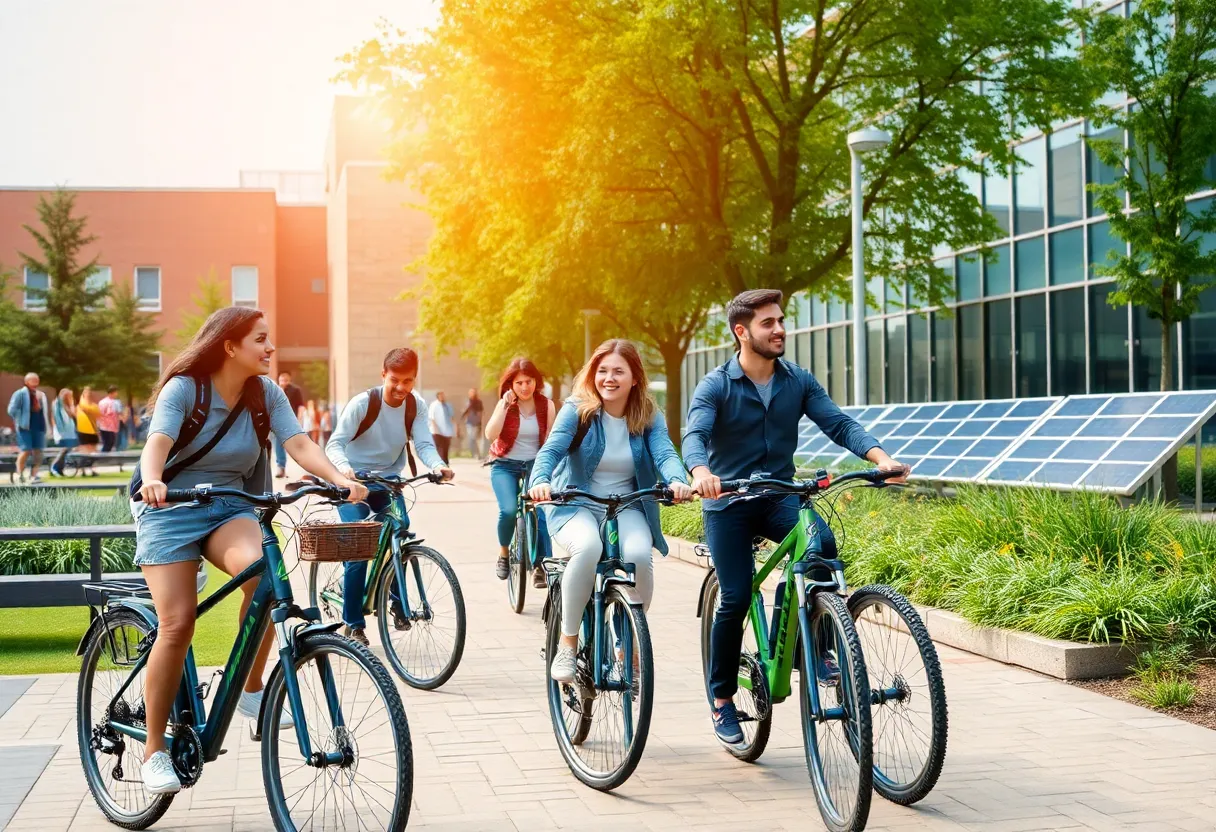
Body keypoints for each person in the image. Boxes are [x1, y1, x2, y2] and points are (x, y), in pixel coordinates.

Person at [132, 306, 366, 796]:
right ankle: (155, 749)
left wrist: (340, 480)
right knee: (178, 624)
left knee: (264, 577)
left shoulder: (266, 394)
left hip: (230, 506)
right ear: (229, 346)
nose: (270, 347)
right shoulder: (185, 390)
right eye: (260, 339)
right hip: (170, 507)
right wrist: (153, 479)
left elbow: (299, 443)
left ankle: (250, 690)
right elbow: (158, 442)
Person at [682, 289, 908, 747]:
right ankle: (722, 698)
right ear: (741, 332)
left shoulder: (797, 381)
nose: (780, 329)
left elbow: (839, 424)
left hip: (778, 495)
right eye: (768, 323)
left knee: (820, 547)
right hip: (728, 501)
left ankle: (814, 645)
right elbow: (695, 434)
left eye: (781, 320)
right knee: (737, 596)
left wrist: (881, 458)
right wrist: (700, 471)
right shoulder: (716, 385)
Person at [528, 340, 693, 683]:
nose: (609, 378)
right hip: (576, 502)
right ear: (593, 375)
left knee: (637, 555)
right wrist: (541, 481)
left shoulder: (647, 413)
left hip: (626, 504)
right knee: (588, 548)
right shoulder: (577, 410)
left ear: (634, 378)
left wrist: (678, 480)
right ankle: (568, 643)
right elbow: (551, 450)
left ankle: (628, 645)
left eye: (619, 371)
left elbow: (664, 453)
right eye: (602, 371)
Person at [326, 348, 455, 646]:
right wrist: (346, 471)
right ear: (383, 374)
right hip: (353, 482)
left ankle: (398, 602)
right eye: (394, 380)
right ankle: (354, 624)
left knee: (400, 529)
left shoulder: (415, 405)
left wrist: (438, 465)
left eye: (407, 381)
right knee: (359, 547)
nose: (400, 387)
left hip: (388, 481)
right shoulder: (363, 403)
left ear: (415, 379)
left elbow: (424, 443)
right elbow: (335, 444)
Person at [484, 358, 556, 587]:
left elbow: (551, 442)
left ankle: (541, 566)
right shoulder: (505, 404)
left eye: (529, 381)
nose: (525, 387)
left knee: (541, 513)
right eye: (519, 383)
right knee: (508, 510)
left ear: (536, 381)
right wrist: (504, 407)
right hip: (504, 464)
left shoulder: (547, 405)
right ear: (511, 385)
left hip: (535, 464)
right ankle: (504, 553)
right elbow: (490, 434)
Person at [7, 373, 50, 483]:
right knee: (25, 450)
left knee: (38, 452)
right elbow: (11, 410)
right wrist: (20, 419)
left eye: (37, 380)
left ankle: (34, 475)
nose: (36, 383)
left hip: (39, 426)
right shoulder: (20, 394)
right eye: (33, 380)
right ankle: (20, 474)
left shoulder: (41, 395)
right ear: (26, 382)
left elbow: (44, 411)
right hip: (25, 427)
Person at [273, 371, 305, 478]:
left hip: (291, 422)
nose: (283, 382)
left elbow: (300, 406)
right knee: (278, 443)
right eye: (281, 379)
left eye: (285, 379)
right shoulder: (274, 390)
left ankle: (306, 464)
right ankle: (280, 467)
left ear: (289, 380)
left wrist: (299, 421)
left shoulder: (295, 390)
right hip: (277, 422)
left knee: (294, 446)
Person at [50, 388, 79, 477]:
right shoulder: (59, 404)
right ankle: (54, 467)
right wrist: (71, 403)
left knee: (67, 449)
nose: (71, 397)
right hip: (63, 431)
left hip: (68, 430)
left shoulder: (60, 404)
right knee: (65, 449)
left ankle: (59, 469)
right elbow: (72, 414)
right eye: (69, 396)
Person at [75, 387, 102, 475]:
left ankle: (91, 469)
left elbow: (98, 415)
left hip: (93, 431)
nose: (88, 395)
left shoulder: (94, 406)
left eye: (89, 393)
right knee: (84, 451)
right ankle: (82, 469)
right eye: (86, 393)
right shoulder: (80, 406)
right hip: (83, 431)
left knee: (93, 451)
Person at [428, 390, 455, 464]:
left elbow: (452, 417)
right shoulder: (434, 405)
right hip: (437, 431)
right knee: (440, 448)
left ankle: (445, 462)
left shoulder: (448, 405)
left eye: (444, 395)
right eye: (441, 395)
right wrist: (436, 429)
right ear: (438, 397)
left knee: (446, 448)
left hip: (447, 431)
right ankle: (440, 463)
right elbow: (432, 418)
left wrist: (455, 428)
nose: (443, 397)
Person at [461, 388, 484, 459]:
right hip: (469, 423)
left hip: (476, 423)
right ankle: (476, 453)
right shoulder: (467, 401)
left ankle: (477, 454)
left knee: (474, 438)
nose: (472, 394)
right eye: (471, 392)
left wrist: (480, 422)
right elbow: (465, 411)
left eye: (473, 392)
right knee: (471, 438)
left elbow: (481, 412)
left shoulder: (479, 402)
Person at [98, 386, 121, 452]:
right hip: (105, 426)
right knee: (108, 443)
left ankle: (104, 458)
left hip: (112, 427)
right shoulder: (103, 402)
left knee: (111, 443)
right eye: (116, 392)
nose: (117, 394)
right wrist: (99, 425)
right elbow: (100, 414)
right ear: (112, 393)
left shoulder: (115, 402)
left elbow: (117, 413)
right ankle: (101, 458)